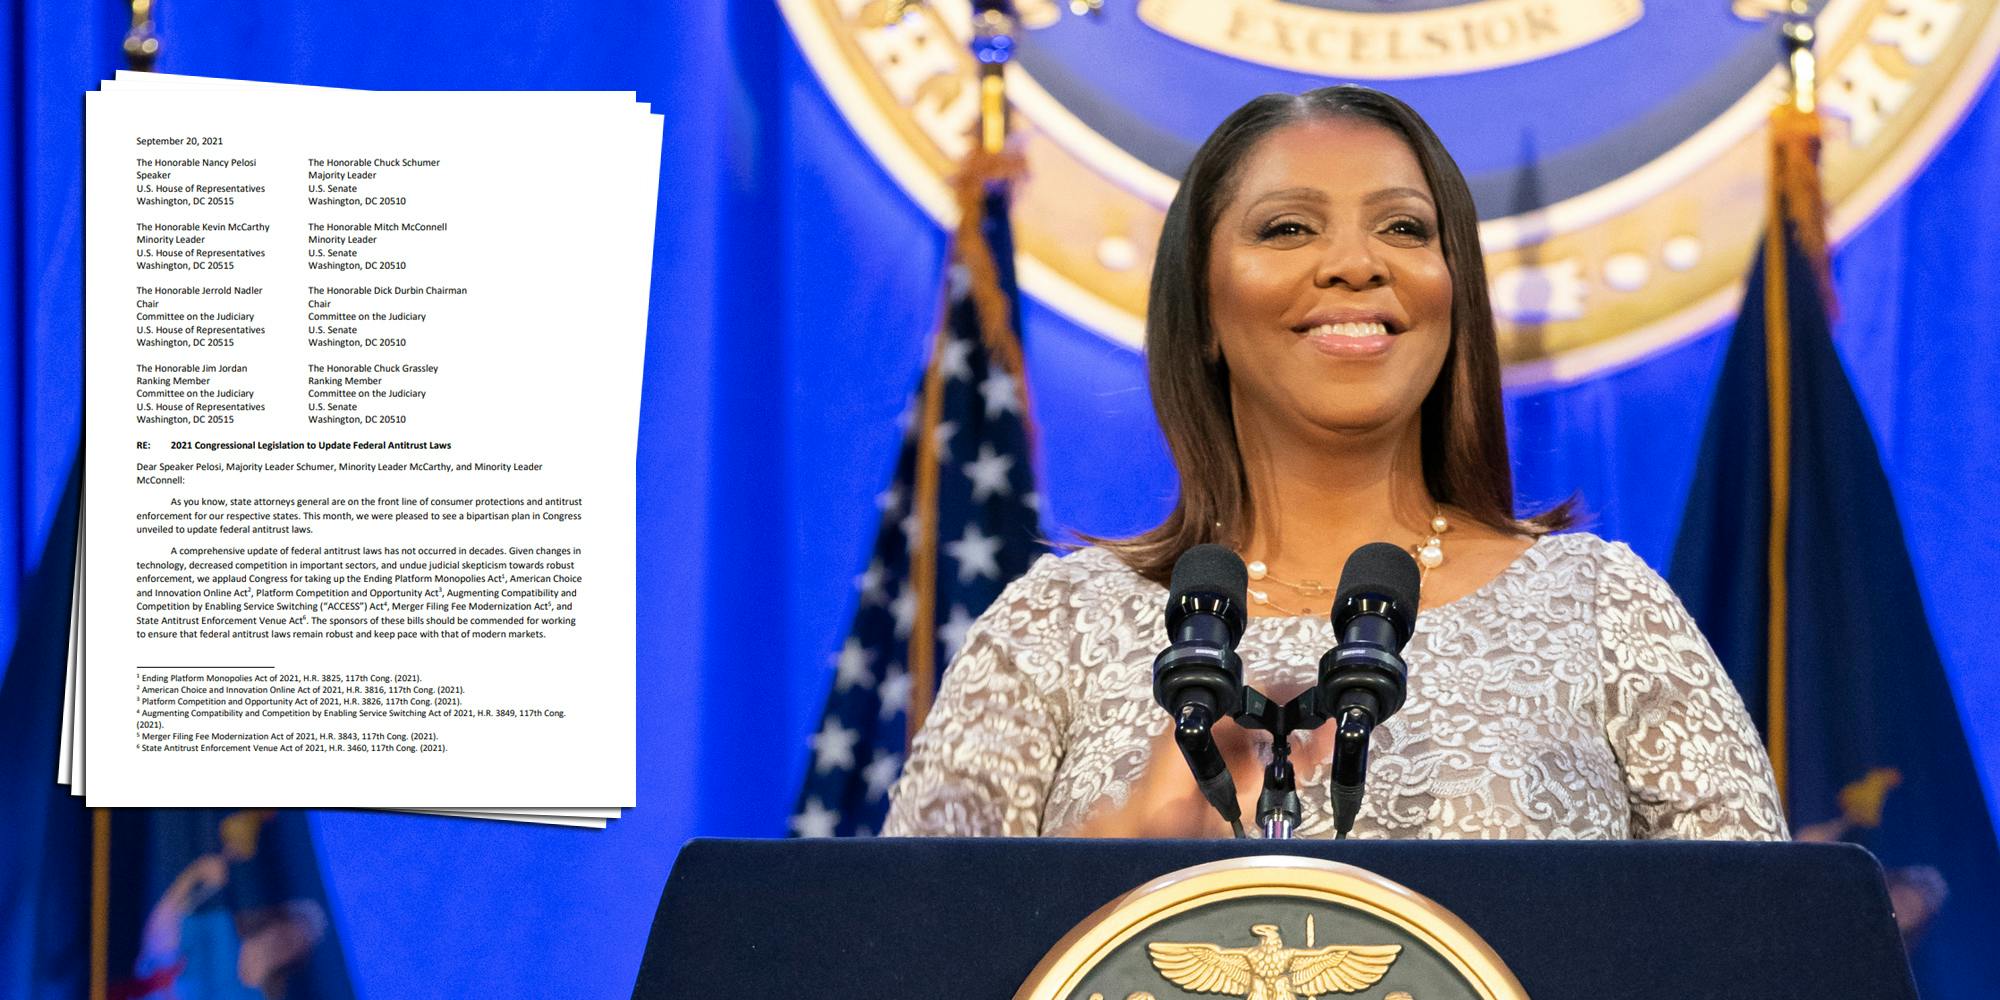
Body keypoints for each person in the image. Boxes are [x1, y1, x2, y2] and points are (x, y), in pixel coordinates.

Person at [882, 85, 1786, 841]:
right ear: (1199, 309)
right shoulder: (1056, 626)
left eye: (1403, 227)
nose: (1356, 264)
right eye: (1285, 229)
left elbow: (1763, 950)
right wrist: (1116, 863)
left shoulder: (1602, 607)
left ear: (1453, 288)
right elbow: (908, 956)